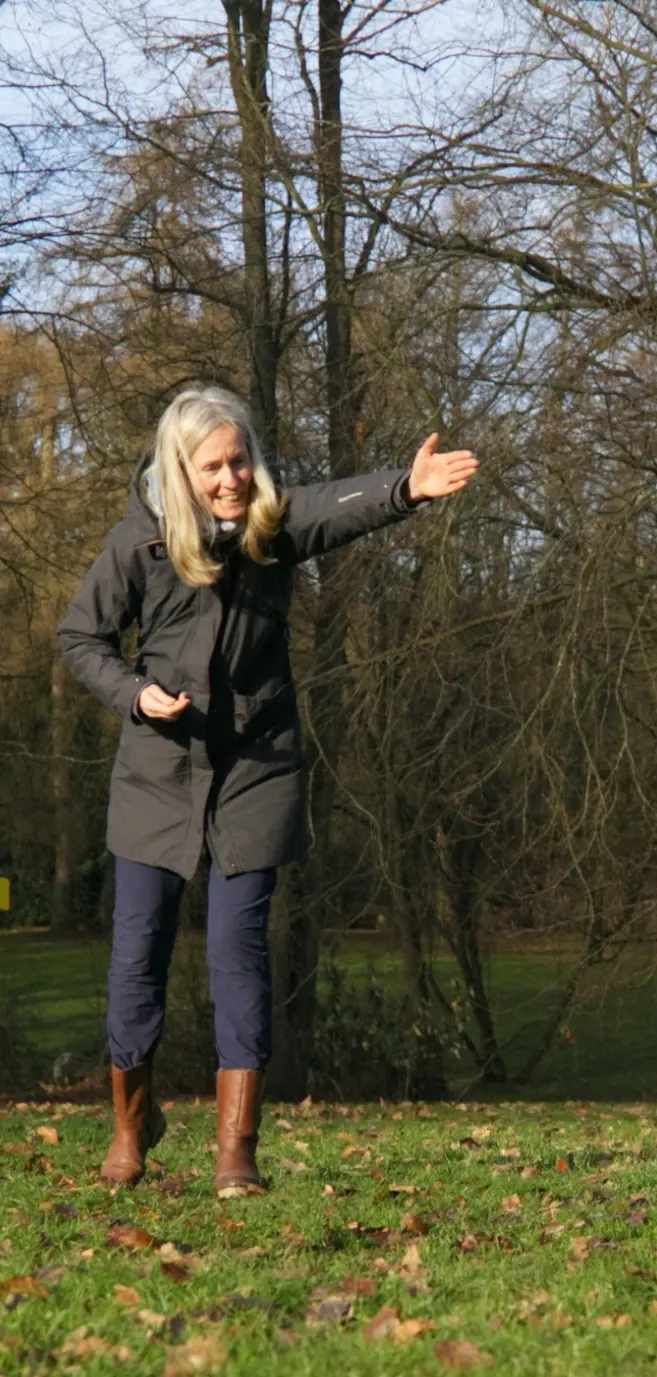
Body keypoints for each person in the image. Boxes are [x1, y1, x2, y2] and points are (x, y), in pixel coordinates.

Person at [57, 385, 478, 1196]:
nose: (230, 480)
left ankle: (235, 1148)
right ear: (181, 470)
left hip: (255, 768)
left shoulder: (270, 530)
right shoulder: (138, 542)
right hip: (157, 771)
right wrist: (134, 693)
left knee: (237, 952)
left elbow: (334, 508)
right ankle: (130, 1123)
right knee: (135, 956)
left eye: (239, 460)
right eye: (212, 466)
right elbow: (81, 636)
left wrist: (405, 489)